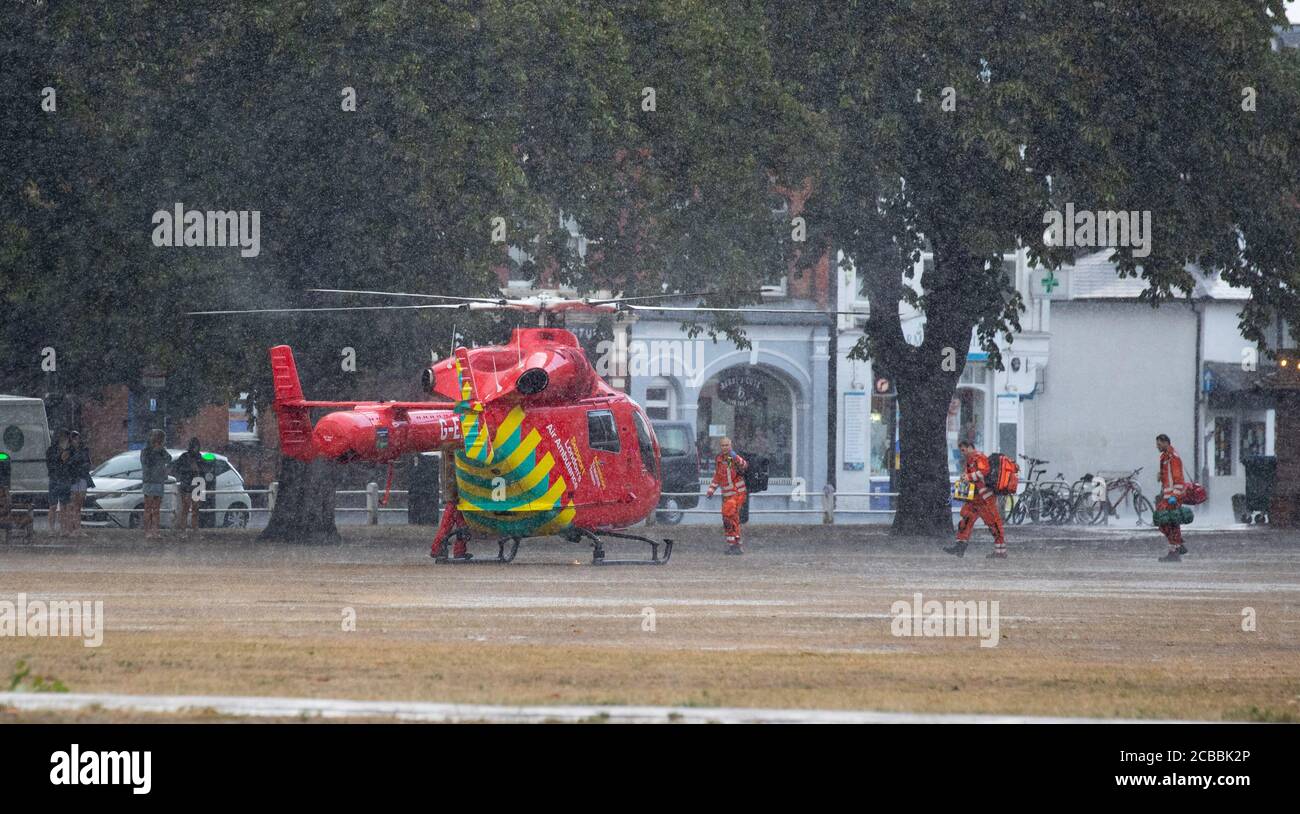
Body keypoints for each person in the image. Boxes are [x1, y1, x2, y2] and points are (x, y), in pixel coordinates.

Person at [944, 440, 1007, 559]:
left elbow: (984, 471)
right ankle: (960, 546)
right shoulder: (970, 461)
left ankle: (1000, 551)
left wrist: (968, 477)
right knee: (966, 520)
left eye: (963, 450)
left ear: (969, 447)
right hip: (974, 498)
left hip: (985, 499)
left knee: (993, 523)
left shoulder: (979, 457)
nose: (963, 453)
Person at [705, 437, 748, 555]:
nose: (725, 447)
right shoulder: (721, 459)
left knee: (728, 517)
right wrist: (711, 490)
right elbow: (719, 476)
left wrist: (735, 458)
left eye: (727, 445)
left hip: (736, 493)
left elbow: (743, 465)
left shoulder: (731, 458)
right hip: (728, 494)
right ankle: (735, 544)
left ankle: (734, 545)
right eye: (723, 445)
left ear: (731, 445)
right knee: (731, 519)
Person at [430, 455, 472, 561]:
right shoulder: (454, 453)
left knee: (455, 518)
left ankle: (443, 547)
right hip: (457, 490)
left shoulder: (449, 452)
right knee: (457, 518)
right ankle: (451, 548)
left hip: (455, 490)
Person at [1155, 433, 1188, 562]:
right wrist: (1161, 476)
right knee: (1171, 524)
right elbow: (1169, 476)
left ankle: (1176, 548)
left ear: (1166, 443)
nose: (1157, 446)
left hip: (1172, 496)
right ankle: (1177, 547)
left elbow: (1177, 477)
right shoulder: (1165, 457)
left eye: (1159, 444)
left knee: (1166, 523)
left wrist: (1174, 495)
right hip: (1168, 495)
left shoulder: (1172, 457)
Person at [171, 438, 208, 534]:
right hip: (188, 483)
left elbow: (203, 469)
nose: (196, 449)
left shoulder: (198, 457)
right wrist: (190, 470)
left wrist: (197, 470)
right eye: (195, 446)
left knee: (195, 508)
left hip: (196, 483)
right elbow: (177, 468)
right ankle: (184, 529)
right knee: (186, 508)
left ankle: (193, 528)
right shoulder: (185, 457)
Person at [140, 429, 171, 538]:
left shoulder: (162, 451)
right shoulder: (146, 450)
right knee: (148, 508)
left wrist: (161, 450)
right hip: (149, 481)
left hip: (159, 481)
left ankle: (155, 531)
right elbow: (146, 462)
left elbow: (169, 459)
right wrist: (155, 451)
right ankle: (147, 531)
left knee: (156, 509)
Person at [45, 430, 73, 536]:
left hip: (65, 479)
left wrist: (67, 460)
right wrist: (61, 459)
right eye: (62, 436)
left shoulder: (70, 451)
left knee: (63, 506)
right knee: (52, 505)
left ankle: (63, 529)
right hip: (55, 479)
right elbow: (50, 465)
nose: (64, 439)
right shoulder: (51, 450)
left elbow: (72, 465)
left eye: (65, 436)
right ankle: (51, 530)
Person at [65, 430, 93, 537]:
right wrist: (76, 463)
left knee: (79, 505)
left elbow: (88, 463)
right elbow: (67, 464)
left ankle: (78, 528)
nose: (76, 440)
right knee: (73, 505)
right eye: (74, 438)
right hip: (73, 479)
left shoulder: (84, 450)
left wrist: (80, 465)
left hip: (82, 478)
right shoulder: (69, 451)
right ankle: (72, 529)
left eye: (77, 438)